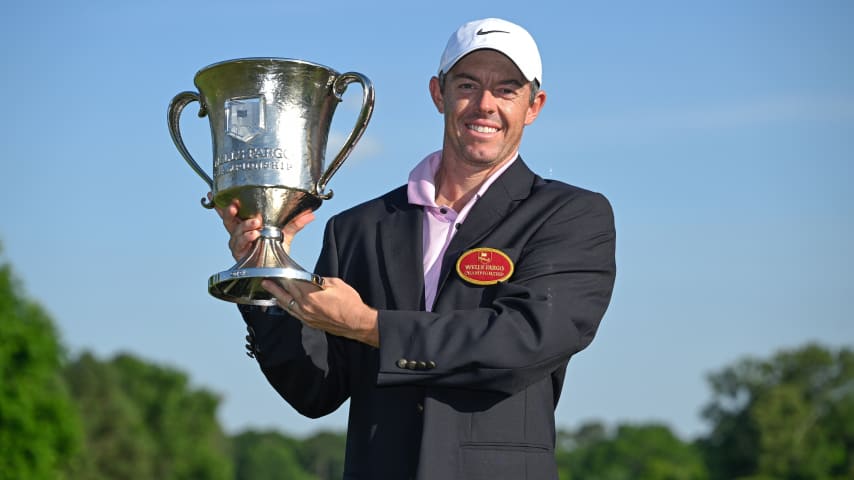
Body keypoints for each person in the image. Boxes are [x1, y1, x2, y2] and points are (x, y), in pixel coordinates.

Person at [218, 17, 616, 480]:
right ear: (438, 93)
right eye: (468, 85)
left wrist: (370, 326)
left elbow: (522, 340)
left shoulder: (569, 215)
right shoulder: (358, 227)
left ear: (534, 105)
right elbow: (315, 390)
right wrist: (267, 274)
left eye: (507, 89)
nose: (484, 105)